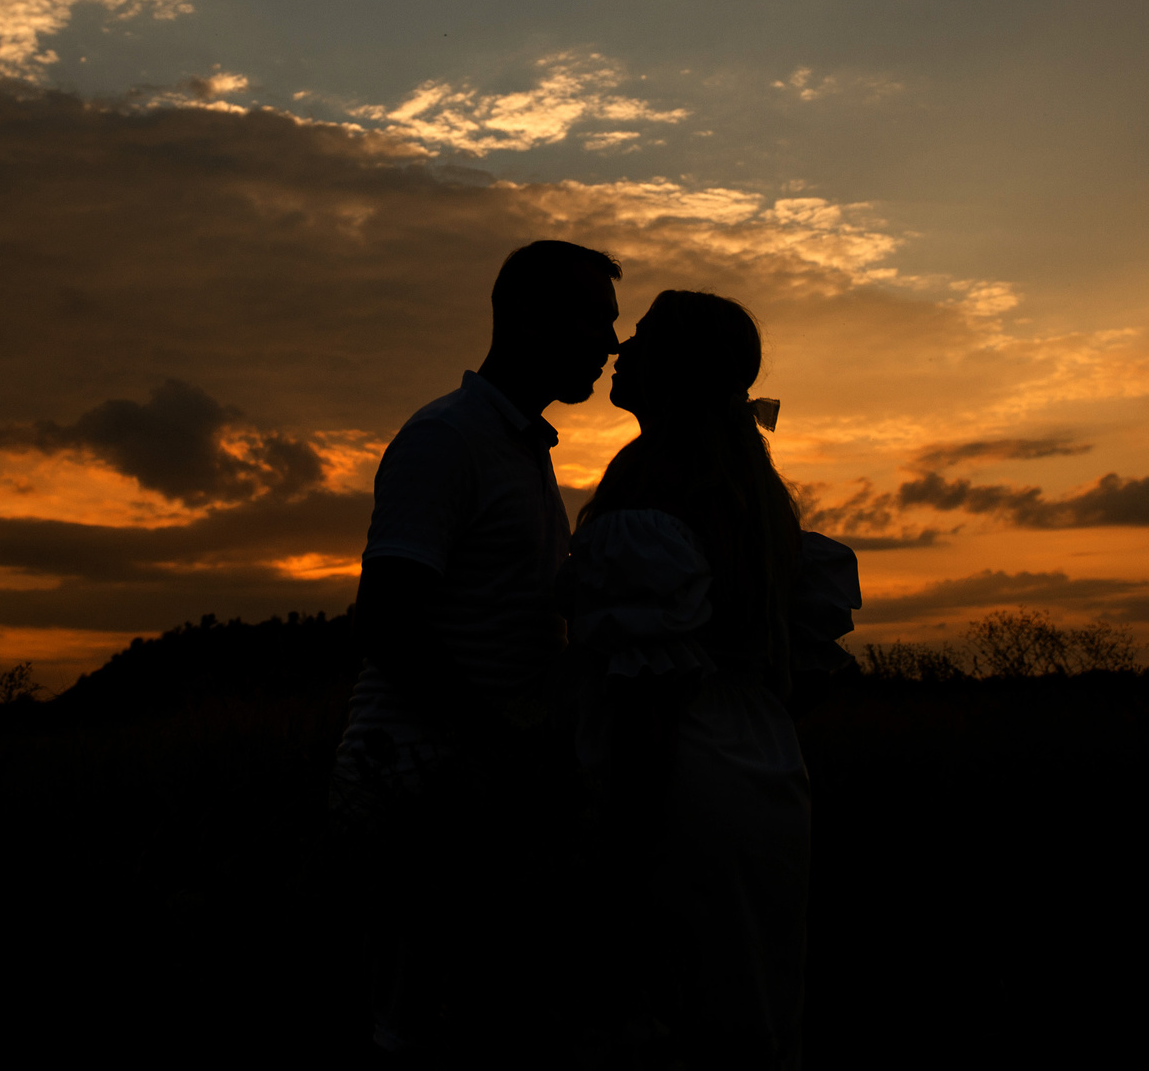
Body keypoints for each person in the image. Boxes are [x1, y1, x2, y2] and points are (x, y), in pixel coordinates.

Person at [331, 238, 623, 1063]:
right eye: (594, 319)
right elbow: (386, 623)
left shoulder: (525, 448)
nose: (609, 343)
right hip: (417, 786)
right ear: (529, 318)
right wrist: (504, 744)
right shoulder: (446, 439)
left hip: (478, 786)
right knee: (419, 1032)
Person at [564, 290, 862, 1070]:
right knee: (751, 1001)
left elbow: (645, 702)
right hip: (767, 770)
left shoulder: (651, 489)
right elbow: (808, 671)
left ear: (676, 367)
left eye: (646, 336)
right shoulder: (752, 492)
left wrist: (615, 839)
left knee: (666, 1007)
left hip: (676, 776)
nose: (622, 346)